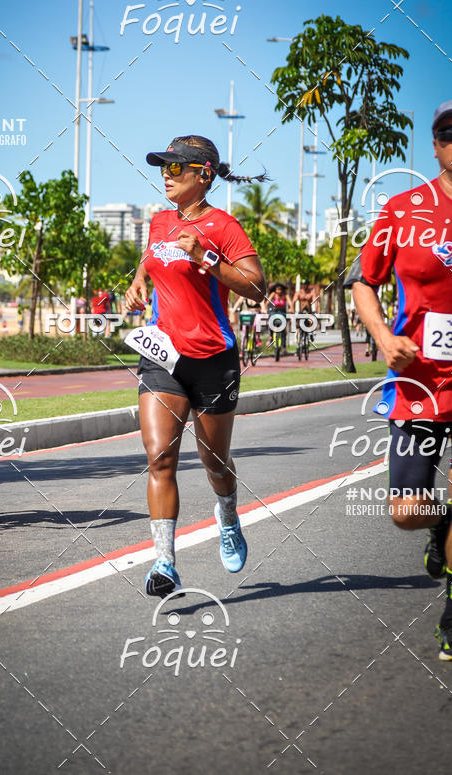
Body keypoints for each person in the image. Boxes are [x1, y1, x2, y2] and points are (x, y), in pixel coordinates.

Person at [353, 97, 452, 661]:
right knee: (408, 511)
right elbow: (364, 282)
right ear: (433, 145)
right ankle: (438, 529)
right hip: (418, 387)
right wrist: (384, 339)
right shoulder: (404, 210)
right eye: (448, 132)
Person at [125, 135, 267, 598]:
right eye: (163, 167)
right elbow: (149, 264)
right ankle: (164, 562)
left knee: (215, 462)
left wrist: (204, 257)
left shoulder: (225, 227)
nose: (166, 174)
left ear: (204, 173)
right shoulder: (159, 221)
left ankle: (227, 515)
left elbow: (256, 286)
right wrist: (136, 285)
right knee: (160, 455)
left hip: (213, 360)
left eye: (176, 167)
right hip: (162, 356)